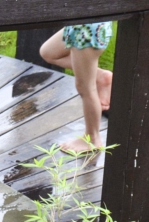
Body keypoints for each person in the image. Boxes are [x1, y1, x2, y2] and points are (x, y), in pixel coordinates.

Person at [39, 22, 114, 153]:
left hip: (87, 30)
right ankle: (101, 76)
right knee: (48, 52)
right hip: (77, 25)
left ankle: (92, 138)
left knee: (86, 88)